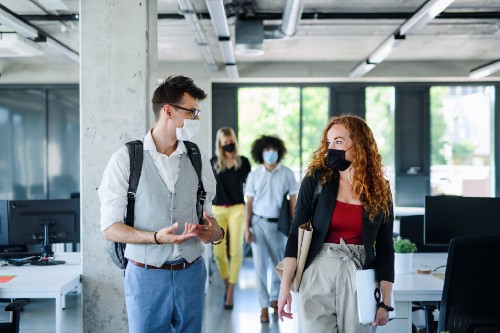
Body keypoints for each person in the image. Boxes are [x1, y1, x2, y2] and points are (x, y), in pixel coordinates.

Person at [99, 75, 224, 333]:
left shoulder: (197, 159)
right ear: (168, 111)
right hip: (146, 275)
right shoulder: (125, 159)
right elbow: (110, 228)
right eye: (192, 111)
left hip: (191, 272)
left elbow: (210, 219)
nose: (196, 119)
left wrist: (214, 233)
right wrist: (156, 238)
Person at [277, 115, 394, 332]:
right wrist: (284, 288)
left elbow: (386, 245)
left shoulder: (381, 189)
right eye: (329, 143)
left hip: (360, 275)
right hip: (318, 270)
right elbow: (296, 235)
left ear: (358, 144)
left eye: (338, 142)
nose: (331, 149)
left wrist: (386, 301)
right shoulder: (316, 179)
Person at [244, 135, 299, 323]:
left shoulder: (287, 174)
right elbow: (249, 204)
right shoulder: (254, 175)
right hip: (258, 224)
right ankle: (263, 307)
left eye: (272, 150)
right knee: (259, 267)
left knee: (279, 266)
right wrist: (246, 228)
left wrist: (295, 228)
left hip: (279, 226)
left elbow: (294, 202)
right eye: (266, 150)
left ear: (279, 152)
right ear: (260, 153)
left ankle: (276, 300)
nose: (270, 153)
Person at [210, 127, 251, 309]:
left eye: (231, 141)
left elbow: (250, 189)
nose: (228, 144)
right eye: (225, 142)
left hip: (237, 209)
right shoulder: (213, 162)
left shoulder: (243, 162)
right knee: (218, 253)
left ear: (235, 140)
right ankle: (228, 282)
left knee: (236, 251)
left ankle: (231, 290)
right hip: (217, 210)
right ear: (220, 143)